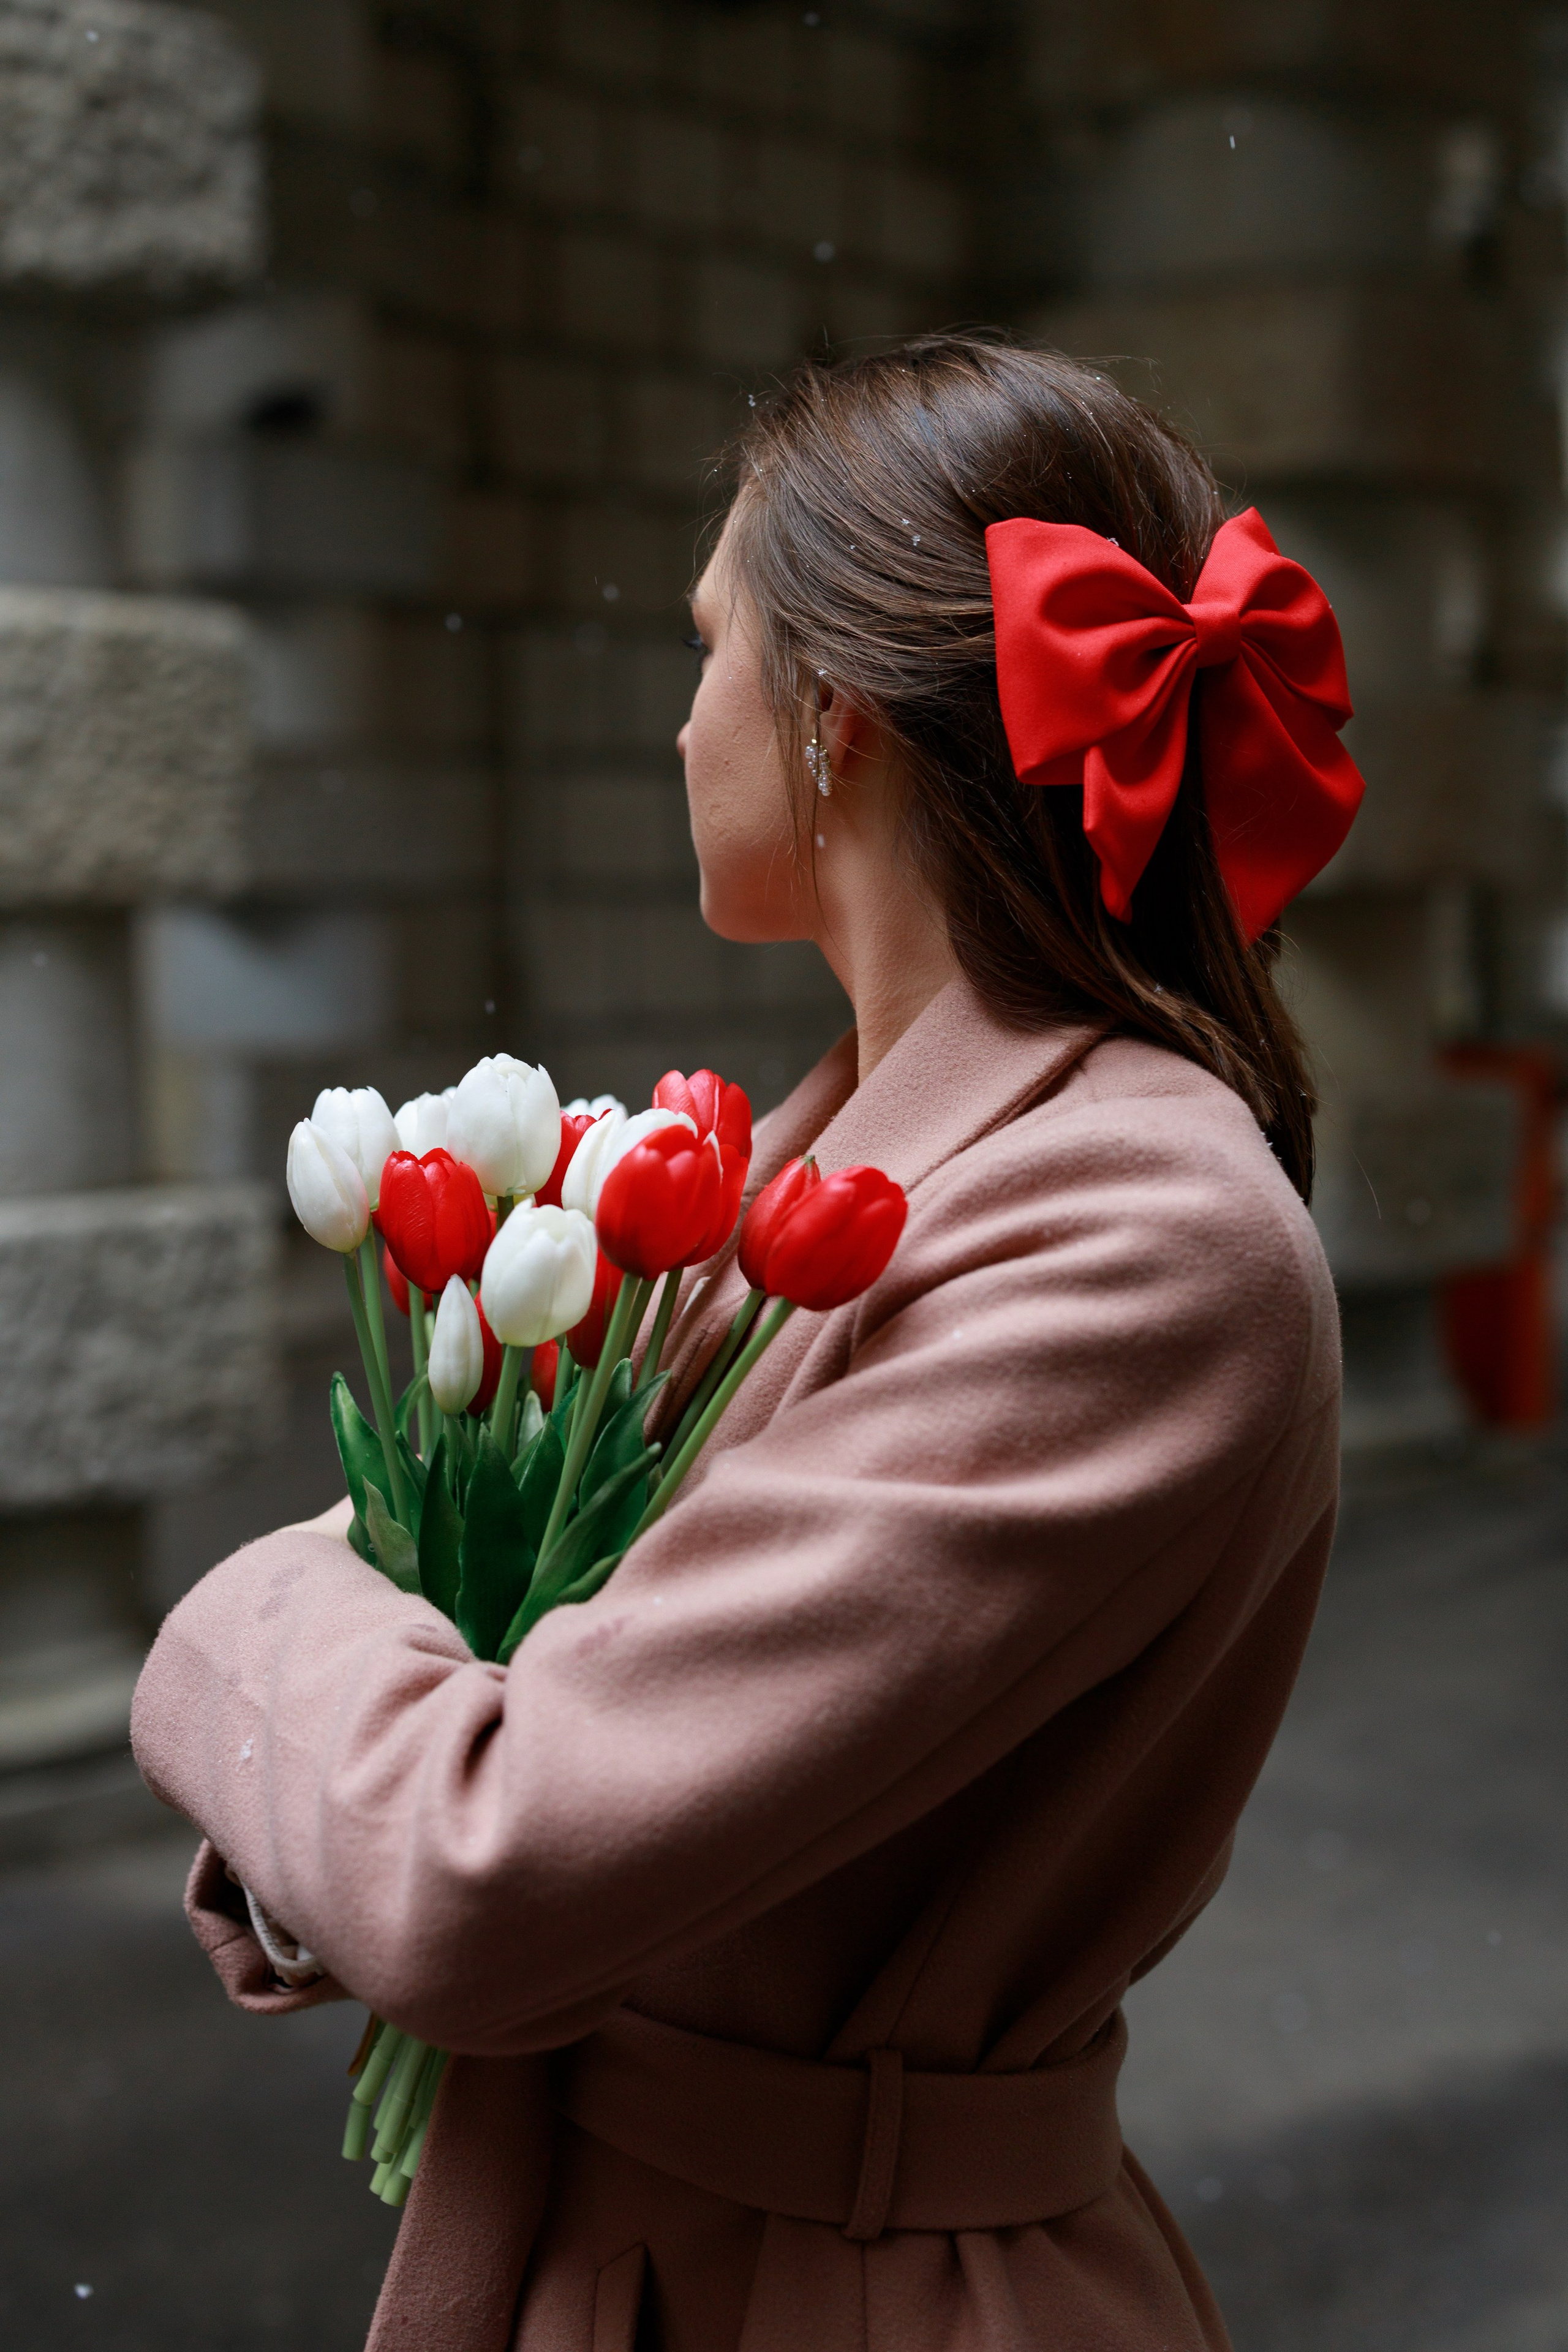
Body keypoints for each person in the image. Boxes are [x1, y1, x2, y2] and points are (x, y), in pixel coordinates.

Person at [132, 333, 1358, 2352]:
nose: (680, 715)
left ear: (837, 717)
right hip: (638, 2239)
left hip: (858, 2289)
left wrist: (296, 1590)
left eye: (710, 647)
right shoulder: (831, 1152)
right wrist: (338, 1836)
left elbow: (492, 1856)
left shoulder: (1144, 1232)